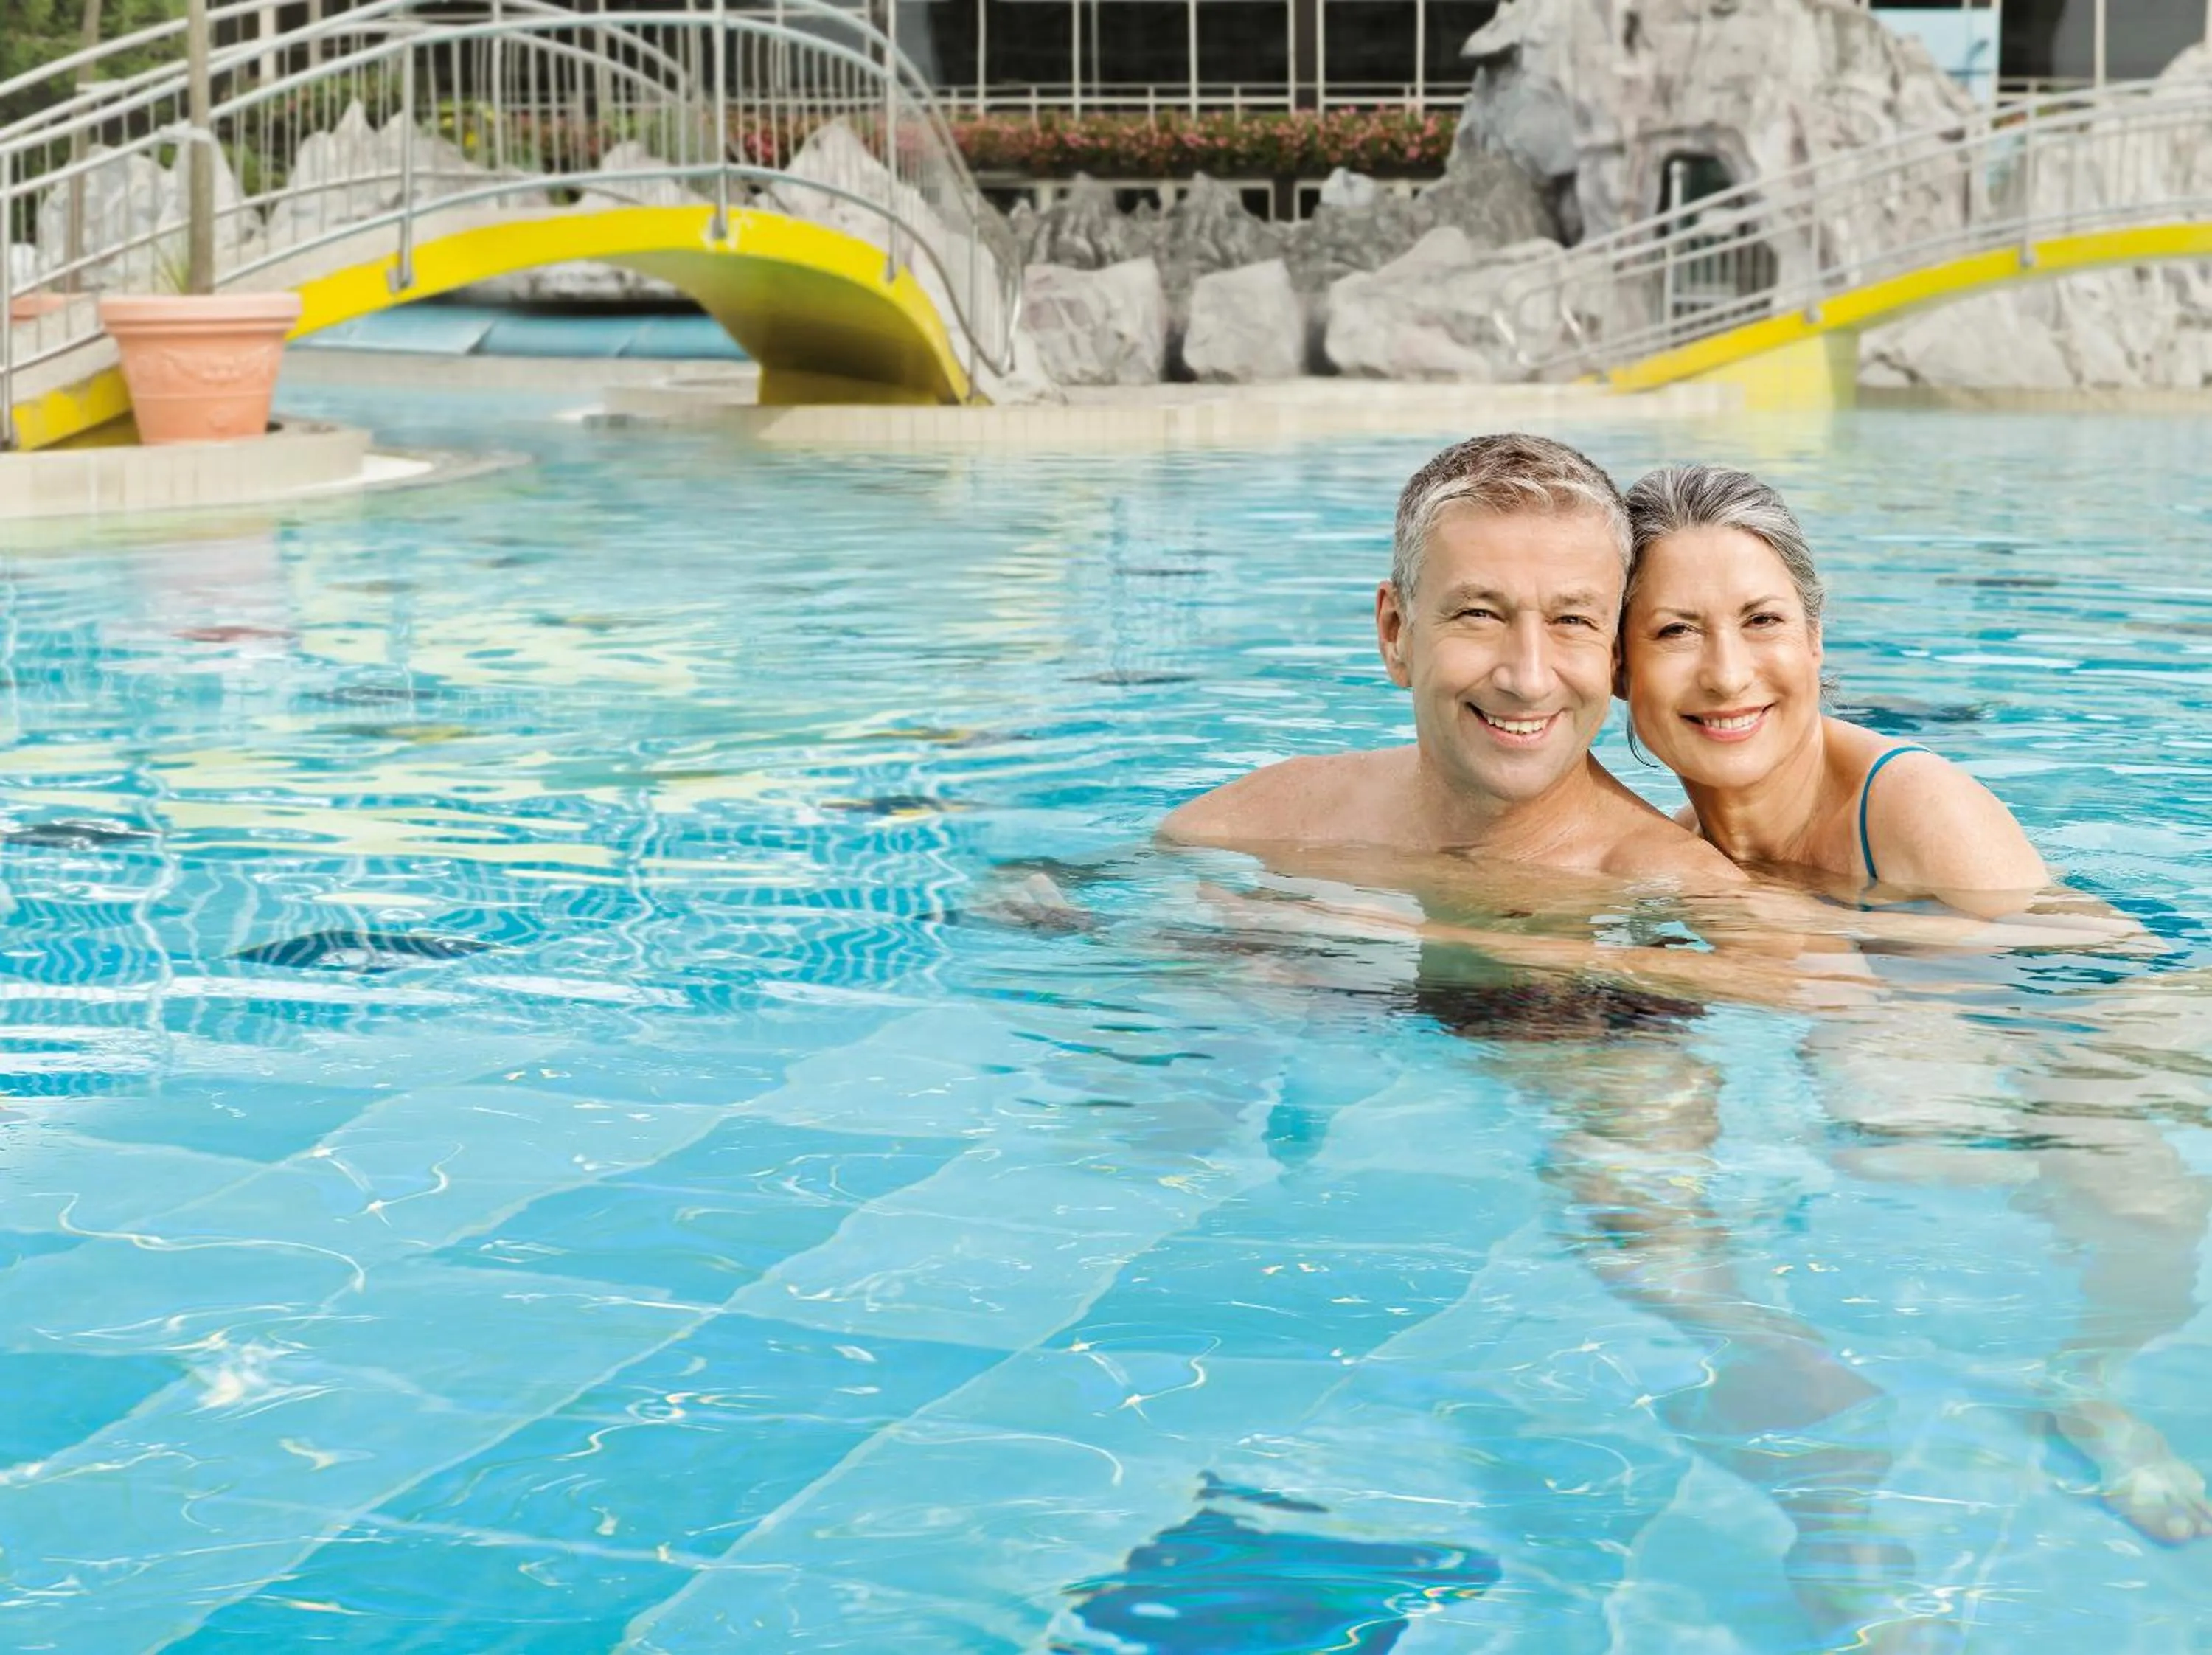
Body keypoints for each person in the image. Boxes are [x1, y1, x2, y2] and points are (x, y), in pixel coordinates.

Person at [1616, 462, 2212, 1549]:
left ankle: (2093, 1382)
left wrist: (2080, 1124)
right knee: (1891, 1126)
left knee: (2112, 1187)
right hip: (1937, 1002)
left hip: (2093, 1004)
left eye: (1763, 621)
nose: (1728, 671)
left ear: (1814, 640)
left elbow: (2078, 980)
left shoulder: (1913, 803)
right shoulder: (1664, 855)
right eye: (1674, 633)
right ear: (1618, 668)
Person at [1160, 433, 1742, 887]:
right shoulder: (1261, 822)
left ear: (1614, 657)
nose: (1528, 679)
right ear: (1396, 633)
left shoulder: (1675, 894)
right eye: (1480, 615)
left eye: (1572, 621)